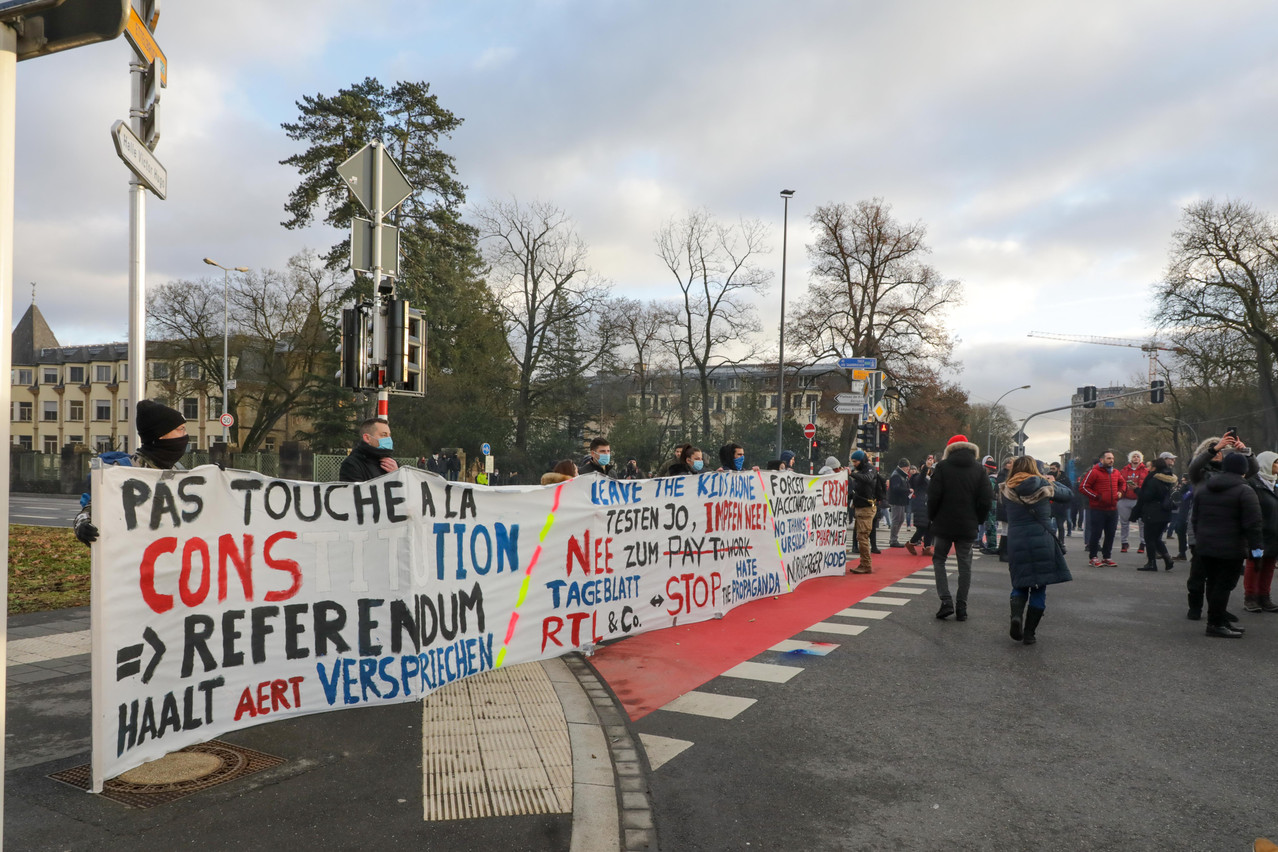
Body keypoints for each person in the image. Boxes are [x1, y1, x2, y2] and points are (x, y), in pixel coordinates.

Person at [73, 399, 190, 545]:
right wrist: (82, 526)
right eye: (181, 429)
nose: (185, 436)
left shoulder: (178, 470)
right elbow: (90, 510)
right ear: (160, 435)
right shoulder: (122, 471)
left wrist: (219, 479)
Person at [1002, 455, 1073, 645]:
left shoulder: (1006, 488)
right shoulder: (1043, 484)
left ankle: (1016, 616)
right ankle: (1029, 633)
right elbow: (1068, 494)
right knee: (1039, 586)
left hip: (1017, 540)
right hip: (1042, 539)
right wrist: (1052, 481)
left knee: (1020, 583)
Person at [1186, 433, 1257, 622]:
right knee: (1198, 574)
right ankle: (1195, 607)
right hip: (1201, 530)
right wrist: (1213, 448)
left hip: (1224, 532)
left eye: (1222, 450)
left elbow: (1252, 470)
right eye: (1215, 450)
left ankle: (1216, 611)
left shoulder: (1232, 475)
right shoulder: (1199, 475)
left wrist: (1246, 452)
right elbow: (1194, 465)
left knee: (1218, 578)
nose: (1219, 453)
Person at [926, 434, 994, 621]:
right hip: (968, 524)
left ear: (950, 449)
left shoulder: (942, 467)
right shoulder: (979, 469)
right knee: (965, 564)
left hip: (944, 523)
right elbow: (987, 499)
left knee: (939, 559)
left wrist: (932, 517)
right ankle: (962, 607)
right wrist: (977, 519)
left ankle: (946, 600)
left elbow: (933, 497)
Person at [1129, 453, 1178, 571]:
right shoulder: (1170, 479)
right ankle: (1167, 559)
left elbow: (1147, 497)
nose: (1148, 468)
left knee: (1149, 538)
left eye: (1150, 466)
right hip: (1165, 512)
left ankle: (1151, 563)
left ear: (1155, 468)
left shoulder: (1153, 480)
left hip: (1153, 512)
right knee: (1156, 538)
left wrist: (1136, 489)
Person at [1243, 450, 1278, 613]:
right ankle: (1251, 597)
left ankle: (1264, 596)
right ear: (1266, 464)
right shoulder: (1253, 483)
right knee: (1255, 564)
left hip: (1274, 533)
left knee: (1269, 564)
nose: (1277, 466)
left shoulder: (1275, 484)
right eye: (1275, 462)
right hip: (1258, 532)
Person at [1079, 450, 1125, 567]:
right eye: (1109, 458)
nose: (1111, 461)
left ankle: (1106, 557)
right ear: (1102, 460)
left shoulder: (1116, 472)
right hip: (1098, 509)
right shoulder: (1094, 472)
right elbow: (1083, 487)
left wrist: (1120, 492)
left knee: (1110, 534)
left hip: (1112, 508)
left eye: (1112, 458)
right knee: (1096, 534)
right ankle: (1093, 557)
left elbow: (1122, 483)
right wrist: (1097, 496)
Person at [848, 450, 886, 573]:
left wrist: (852, 474)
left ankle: (866, 564)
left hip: (866, 508)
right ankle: (864, 563)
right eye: (852, 462)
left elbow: (867, 479)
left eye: (856, 461)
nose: (854, 464)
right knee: (861, 536)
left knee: (862, 536)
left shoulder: (870, 469)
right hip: (860, 507)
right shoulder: (861, 471)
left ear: (862, 460)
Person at [339, 417, 399, 482]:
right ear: (367, 438)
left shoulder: (392, 463)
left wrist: (398, 475)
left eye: (389, 435)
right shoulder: (352, 465)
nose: (389, 439)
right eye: (384, 434)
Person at [1118, 450, 1149, 553]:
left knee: (1142, 522)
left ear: (1141, 459)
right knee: (1124, 522)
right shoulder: (1124, 470)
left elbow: (1147, 484)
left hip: (1139, 499)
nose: (1136, 458)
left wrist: (1138, 488)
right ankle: (1124, 542)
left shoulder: (1145, 470)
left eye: (1138, 456)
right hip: (1125, 498)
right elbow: (1120, 482)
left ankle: (1143, 543)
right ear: (1130, 459)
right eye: (1134, 456)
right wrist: (1124, 488)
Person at [905, 460, 933, 556]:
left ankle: (927, 547)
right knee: (922, 527)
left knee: (929, 527)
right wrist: (926, 467)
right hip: (921, 505)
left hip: (927, 504)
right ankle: (911, 543)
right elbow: (921, 477)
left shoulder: (928, 478)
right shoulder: (917, 477)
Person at [887, 458, 911, 547]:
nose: (908, 469)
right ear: (903, 467)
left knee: (900, 520)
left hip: (900, 501)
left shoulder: (900, 475)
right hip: (896, 501)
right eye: (907, 467)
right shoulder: (896, 476)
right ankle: (893, 540)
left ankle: (894, 538)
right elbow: (895, 488)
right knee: (896, 520)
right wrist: (907, 490)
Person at [977, 455, 999, 553]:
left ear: (988, 468)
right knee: (991, 525)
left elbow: (988, 493)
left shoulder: (991, 480)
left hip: (991, 505)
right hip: (994, 504)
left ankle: (991, 547)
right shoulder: (997, 478)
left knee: (990, 526)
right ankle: (991, 545)